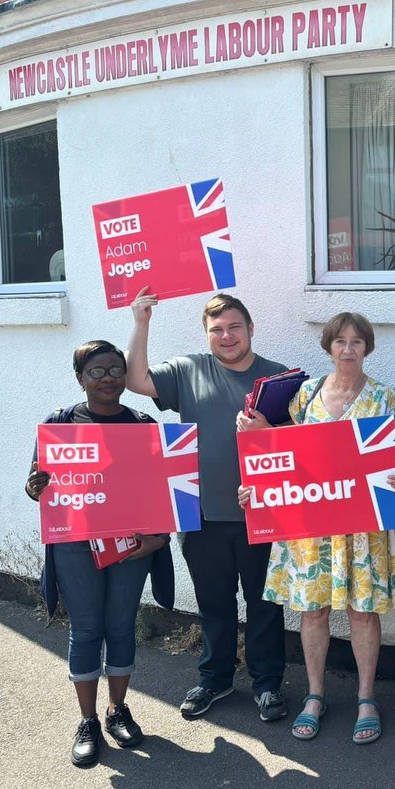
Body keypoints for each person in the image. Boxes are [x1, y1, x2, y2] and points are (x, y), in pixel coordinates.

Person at [125, 289, 290, 722]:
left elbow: (300, 448)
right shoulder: (187, 370)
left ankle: (268, 684)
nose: (227, 336)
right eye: (217, 329)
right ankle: (215, 679)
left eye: (235, 326)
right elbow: (135, 380)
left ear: (251, 329)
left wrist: (268, 429)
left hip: (264, 513)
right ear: (207, 335)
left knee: (265, 604)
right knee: (213, 603)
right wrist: (141, 321)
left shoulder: (281, 380)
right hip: (200, 515)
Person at [247, 312, 395, 745]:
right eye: (340, 341)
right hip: (312, 524)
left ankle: (367, 697)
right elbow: (286, 455)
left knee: (362, 611)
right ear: (329, 347)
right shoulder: (305, 395)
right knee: (312, 609)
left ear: (367, 347)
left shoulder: (385, 397)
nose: (349, 348)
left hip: (362, 526)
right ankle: (315, 695)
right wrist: (260, 484)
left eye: (357, 341)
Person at [25, 340, 175, 767]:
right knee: (88, 629)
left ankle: (117, 710)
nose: (108, 378)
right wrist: (34, 488)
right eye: (97, 371)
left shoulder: (145, 426)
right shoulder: (60, 425)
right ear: (81, 379)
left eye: (115, 370)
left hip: (133, 545)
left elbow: (166, 492)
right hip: (75, 545)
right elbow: (37, 483)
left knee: (121, 625)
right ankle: (88, 720)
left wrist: (158, 539)